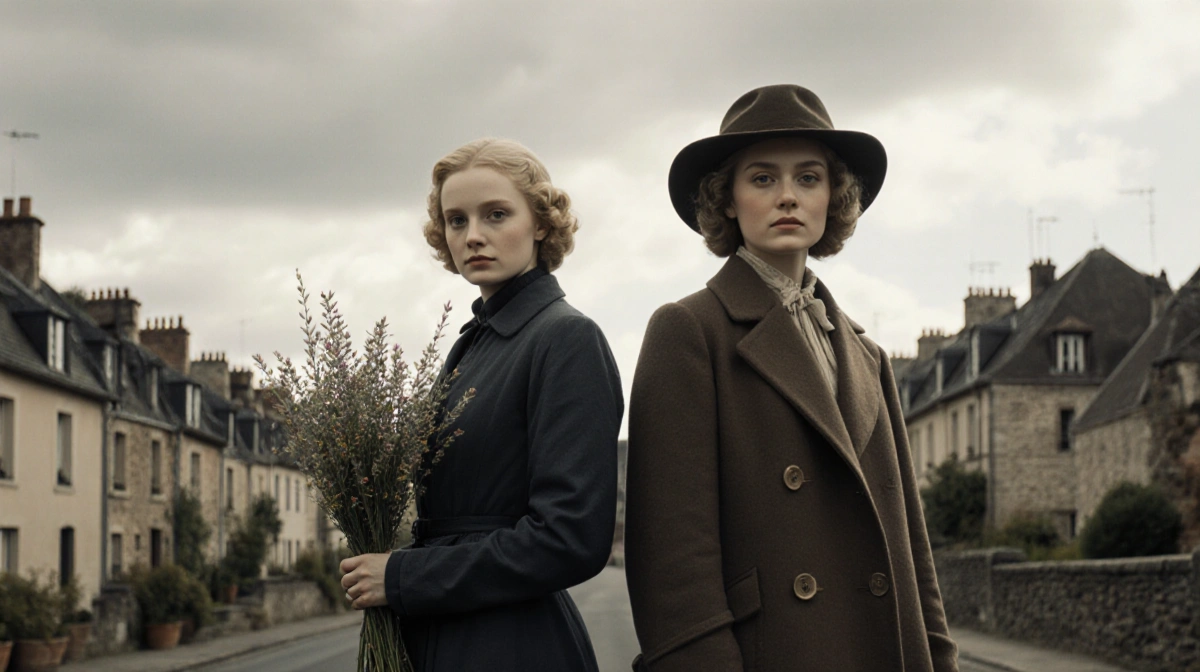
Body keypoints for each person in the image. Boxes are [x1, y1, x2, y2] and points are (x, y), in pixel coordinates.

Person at [624, 85, 959, 671]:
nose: (787, 196)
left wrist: (940, 658)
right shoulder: (688, 331)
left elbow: (913, 548)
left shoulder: (867, 353)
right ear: (725, 198)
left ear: (834, 197)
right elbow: (673, 565)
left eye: (808, 178)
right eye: (761, 179)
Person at [339, 138, 624, 672]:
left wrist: (402, 577)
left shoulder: (567, 339)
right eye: (455, 220)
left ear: (540, 223)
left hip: (513, 645)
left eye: (496, 215)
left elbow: (571, 539)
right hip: (438, 633)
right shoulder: (474, 343)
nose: (472, 236)